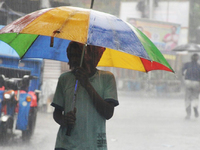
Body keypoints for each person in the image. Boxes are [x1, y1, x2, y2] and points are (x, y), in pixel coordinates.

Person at [51, 41, 119, 150]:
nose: (74, 59)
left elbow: (108, 113)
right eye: (71, 55)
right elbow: (57, 113)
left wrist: (86, 84)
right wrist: (64, 120)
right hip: (65, 145)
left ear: (87, 57)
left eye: (78, 55)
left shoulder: (107, 78)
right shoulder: (64, 79)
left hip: (93, 146)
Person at [182, 53, 200, 119]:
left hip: (188, 82)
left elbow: (182, 72)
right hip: (196, 83)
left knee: (187, 98)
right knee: (195, 97)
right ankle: (195, 107)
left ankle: (188, 114)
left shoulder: (187, 64)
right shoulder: (199, 66)